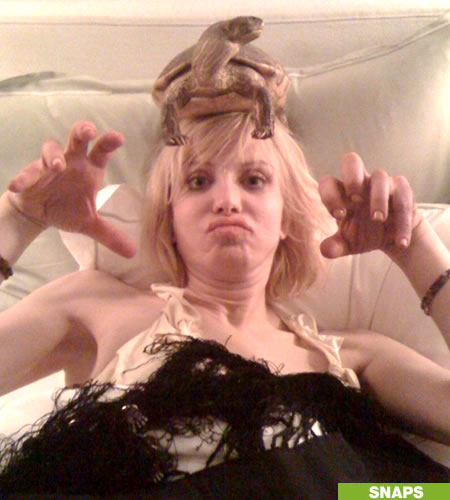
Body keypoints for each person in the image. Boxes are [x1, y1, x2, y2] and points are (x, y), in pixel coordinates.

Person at [0, 113, 449, 496]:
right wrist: (17, 221)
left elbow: (410, 493)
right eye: (198, 181)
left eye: (254, 180)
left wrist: (415, 246)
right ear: (170, 216)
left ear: (286, 216)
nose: (227, 201)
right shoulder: (96, 305)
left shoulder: (352, 356)